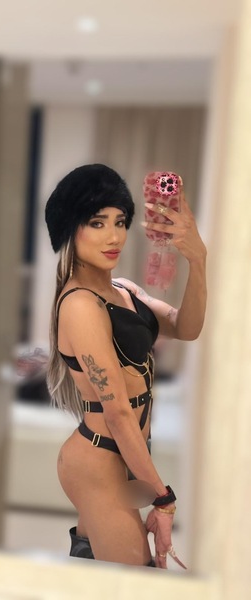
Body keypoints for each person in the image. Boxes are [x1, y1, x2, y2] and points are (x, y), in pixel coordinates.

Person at [45, 164, 207, 569]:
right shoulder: (80, 305)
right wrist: (163, 498)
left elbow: (186, 327)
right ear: (69, 229)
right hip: (99, 458)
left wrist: (198, 259)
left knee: (94, 572)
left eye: (120, 222)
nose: (114, 236)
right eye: (97, 222)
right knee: (138, 582)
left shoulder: (124, 291)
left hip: (122, 455)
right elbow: (117, 412)